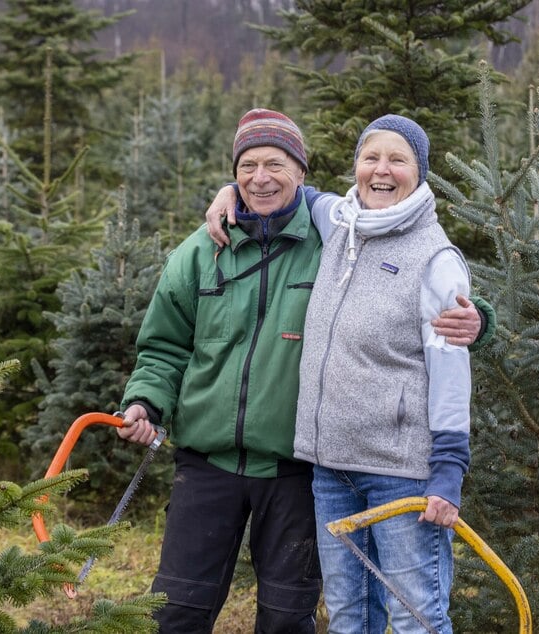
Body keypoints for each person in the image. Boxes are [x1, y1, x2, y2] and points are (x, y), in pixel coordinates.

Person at [119, 109, 484, 633]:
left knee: (295, 618)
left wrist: (479, 318)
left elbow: (432, 299)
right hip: (223, 464)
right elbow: (164, 345)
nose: (259, 177)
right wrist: (147, 403)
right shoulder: (219, 248)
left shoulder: (336, 241)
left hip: (298, 469)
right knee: (179, 611)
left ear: (303, 174)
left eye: (276, 164)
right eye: (247, 166)